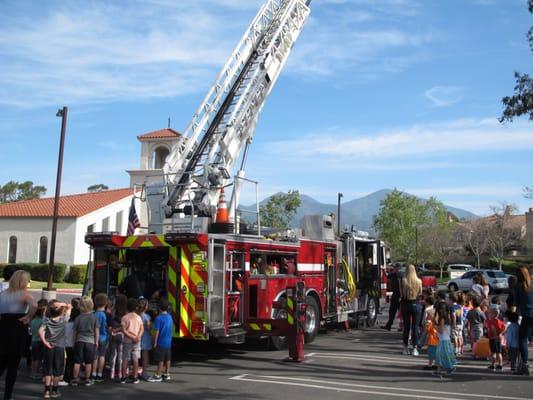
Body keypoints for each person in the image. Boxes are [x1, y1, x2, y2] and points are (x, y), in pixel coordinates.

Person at [0, 270, 36, 400]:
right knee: (13, 365)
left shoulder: (2, 294)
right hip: (17, 328)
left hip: (3, 327)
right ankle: (7, 396)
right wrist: (29, 316)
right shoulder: (25, 295)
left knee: (2, 361)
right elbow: (34, 305)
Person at [39, 300, 72, 399]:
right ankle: (55, 390)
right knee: (57, 369)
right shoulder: (64, 319)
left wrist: (45, 342)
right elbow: (69, 306)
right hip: (60, 347)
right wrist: (62, 305)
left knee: (48, 369)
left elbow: (40, 331)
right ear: (61, 311)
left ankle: (47, 391)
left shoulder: (47, 320)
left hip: (49, 346)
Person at [71, 296, 99, 386]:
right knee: (88, 362)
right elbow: (96, 330)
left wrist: (73, 342)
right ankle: (87, 379)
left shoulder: (78, 318)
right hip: (90, 341)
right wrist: (96, 341)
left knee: (77, 361)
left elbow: (75, 331)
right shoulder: (94, 317)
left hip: (79, 341)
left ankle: (75, 378)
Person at [512, 266, 533, 375]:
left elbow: (515, 305)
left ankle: (525, 364)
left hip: (527, 315)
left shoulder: (519, 287)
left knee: (522, 340)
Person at [148, 298, 173, 382]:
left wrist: (154, 342)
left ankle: (158, 375)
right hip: (168, 342)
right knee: (168, 359)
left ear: (159, 307)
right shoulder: (170, 317)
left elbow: (156, 332)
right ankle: (167, 374)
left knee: (160, 360)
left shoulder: (158, 318)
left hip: (161, 342)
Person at [399, 264, 422, 356]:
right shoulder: (419, 281)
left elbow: (401, 294)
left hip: (405, 304)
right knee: (415, 327)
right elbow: (420, 293)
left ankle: (405, 348)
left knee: (406, 327)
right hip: (416, 303)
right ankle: (415, 348)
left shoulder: (403, 281)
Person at [121, 298, 144, 384]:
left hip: (127, 340)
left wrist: (131, 336)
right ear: (136, 307)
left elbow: (123, 330)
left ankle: (123, 377)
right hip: (137, 341)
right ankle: (135, 377)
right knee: (135, 359)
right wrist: (138, 336)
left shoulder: (124, 318)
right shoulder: (138, 317)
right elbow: (142, 328)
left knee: (125, 359)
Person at [433, 302, 456, 377]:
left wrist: (435, 326)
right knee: (441, 356)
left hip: (443, 341)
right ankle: (439, 370)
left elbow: (441, 330)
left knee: (441, 356)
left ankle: (450, 367)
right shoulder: (447, 317)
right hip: (445, 340)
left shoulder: (442, 319)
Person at [109, 295, 127, 382]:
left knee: (113, 354)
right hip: (122, 335)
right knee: (120, 354)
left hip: (113, 335)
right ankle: (120, 373)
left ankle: (111, 373)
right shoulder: (126, 313)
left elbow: (110, 322)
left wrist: (113, 330)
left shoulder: (113, 311)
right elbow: (125, 325)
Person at [92, 293, 109, 382]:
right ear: (106, 303)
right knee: (102, 356)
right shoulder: (106, 315)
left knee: (95, 356)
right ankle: (100, 373)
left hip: (94, 337)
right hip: (104, 337)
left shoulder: (93, 314)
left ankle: (93, 373)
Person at [30, 299, 48, 380]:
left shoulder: (33, 321)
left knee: (34, 358)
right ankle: (36, 372)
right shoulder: (42, 321)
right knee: (39, 358)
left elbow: (31, 330)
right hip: (40, 341)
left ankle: (33, 371)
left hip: (33, 340)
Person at [64, 298, 80, 384]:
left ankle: (66, 376)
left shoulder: (67, 323)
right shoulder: (76, 325)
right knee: (74, 361)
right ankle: (72, 376)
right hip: (74, 344)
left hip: (67, 344)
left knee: (68, 361)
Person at [382, 265, 401, 331]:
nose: (395, 268)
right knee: (398, 312)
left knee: (393, 311)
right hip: (399, 295)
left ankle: (390, 325)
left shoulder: (396, 275)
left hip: (397, 295)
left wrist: (384, 270)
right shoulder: (399, 275)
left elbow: (387, 276)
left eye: (395, 267)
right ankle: (391, 325)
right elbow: (387, 276)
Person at [138, 298, 152, 381]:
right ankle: (144, 373)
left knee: (135, 356)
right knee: (145, 356)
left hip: (137, 337)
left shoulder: (136, 315)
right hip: (145, 338)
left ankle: (135, 371)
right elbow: (149, 328)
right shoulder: (147, 317)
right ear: (146, 307)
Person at [449, 292, 463, 357]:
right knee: (459, 337)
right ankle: (459, 350)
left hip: (455, 324)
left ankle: (455, 350)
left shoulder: (452, 307)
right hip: (460, 323)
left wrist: (453, 324)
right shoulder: (459, 306)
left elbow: (453, 315)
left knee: (455, 338)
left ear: (451, 299)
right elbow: (460, 315)